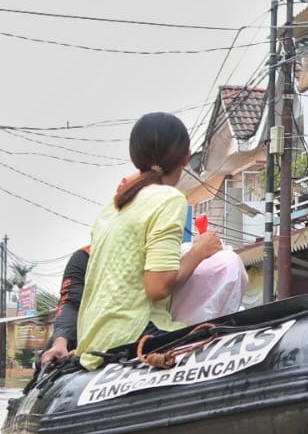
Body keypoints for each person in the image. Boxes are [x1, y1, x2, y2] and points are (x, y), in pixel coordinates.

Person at [77, 113, 223, 370]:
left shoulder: (111, 209)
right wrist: (199, 251)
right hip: (134, 333)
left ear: (136, 157)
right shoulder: (168, 199)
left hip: (94, 340)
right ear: (186, 157)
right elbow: (157, 287)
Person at [38, 245, 89, 366]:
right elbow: (70, 302)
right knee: (53, 355)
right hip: (86, 335)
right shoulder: (86, 255)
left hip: (133, 334)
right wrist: (60, 342)